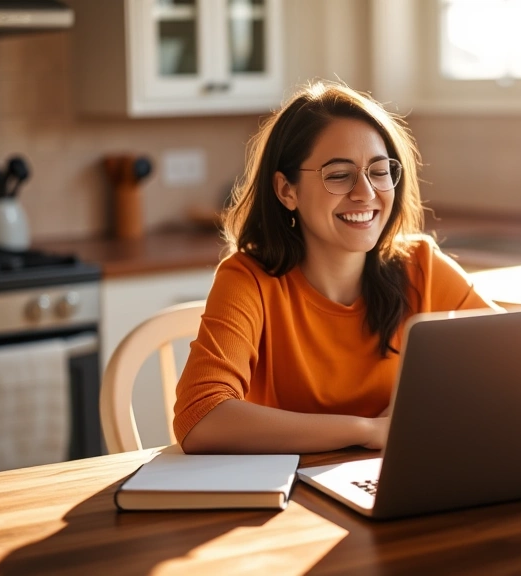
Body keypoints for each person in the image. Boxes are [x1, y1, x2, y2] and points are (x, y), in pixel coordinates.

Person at [174, 82, 499, 455]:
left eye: (379, 171)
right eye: (339, 175)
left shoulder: (421, 266)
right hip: (287, 500)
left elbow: (514, 365)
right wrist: (369, 431)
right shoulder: (248, 280)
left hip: (392, 483)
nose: (365, 193)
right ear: (286, 191)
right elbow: (200, 418)